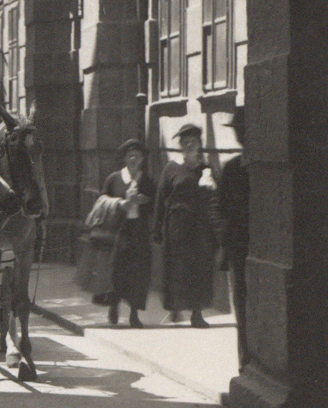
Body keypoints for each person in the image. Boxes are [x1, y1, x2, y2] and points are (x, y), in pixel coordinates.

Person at [152, 123, 218, 327]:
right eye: (186, 142)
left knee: (199, 269)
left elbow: (213, 199)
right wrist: (157, 229)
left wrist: (210, 187)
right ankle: (176, 307)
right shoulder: (171, 168)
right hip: (176, 227)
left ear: (199, 145)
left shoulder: (204, 170)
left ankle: (197, 313)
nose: (189, 145)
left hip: (199, 228)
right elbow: (160, 199)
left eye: (193, 142)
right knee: (177, 268)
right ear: (180, 145)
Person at [99, 139, 157, 328]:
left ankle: (134, 314)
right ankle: (114, 304)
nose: (134, 159)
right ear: (124, 158)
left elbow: (155, 204)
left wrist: (145, 200)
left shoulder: (147, 180)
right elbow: (102, 200)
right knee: (117, 270)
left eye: (137, 156)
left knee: (139, 273)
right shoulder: (114, 179)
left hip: (140, 233)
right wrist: (119, 203)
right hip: (119, 232)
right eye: (130, 156)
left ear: (142, 159)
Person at [214, 107, 250, 370]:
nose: (239, 135)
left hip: (258, 246)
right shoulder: (231, 168)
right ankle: (245, 363)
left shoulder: (262, 169)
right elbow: (220, 209)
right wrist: (224, 241)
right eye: (237, 130)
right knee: (242, 308)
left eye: (242, 130)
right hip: (238, 249)